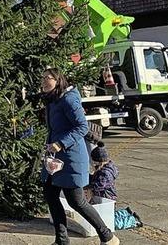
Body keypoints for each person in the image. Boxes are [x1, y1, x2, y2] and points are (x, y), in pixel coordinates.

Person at [39, 68, 119, 245]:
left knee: (76, 201)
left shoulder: (68, 99)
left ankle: (107, 236)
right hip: (55, 160)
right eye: (42, 78)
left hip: (71, 158)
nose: (44, 81)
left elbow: (82, 127)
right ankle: (62, 241)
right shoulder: (52, 100)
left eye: (48, 78)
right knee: (51, 196)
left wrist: (60, 143)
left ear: (58, 80)